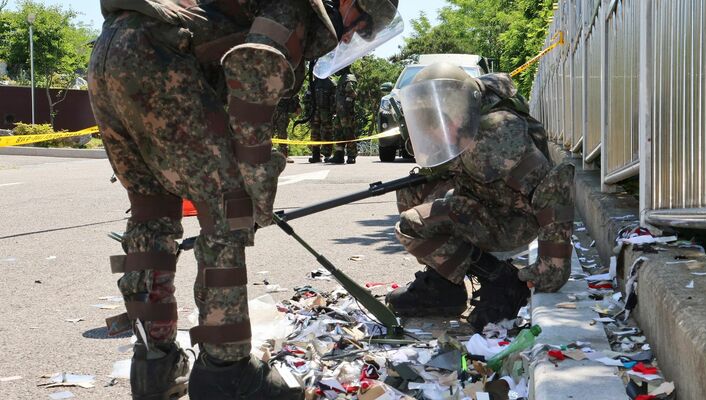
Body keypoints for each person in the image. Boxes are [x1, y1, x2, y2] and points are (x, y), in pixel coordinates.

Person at [87, 0, 401, 398]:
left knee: (152, 210)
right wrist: (257, 183)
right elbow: (255, 71)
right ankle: (226, 371)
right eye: (363, 24)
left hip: (111, 53)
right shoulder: (294, 7)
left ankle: (155, 365)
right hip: (159, 58)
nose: (356, 35)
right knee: (229, 212)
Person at [386, 63, 575, 331]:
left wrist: (552, 267)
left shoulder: (496, 136)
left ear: (457, 113)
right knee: (411, 192)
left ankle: (501, 280)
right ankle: (445, 287)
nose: (431, 133)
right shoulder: (465, 128)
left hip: (514, 220)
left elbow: (553, 189)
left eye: (436, 123)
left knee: (412, 224)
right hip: (488, 200)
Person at [330, 66, 359, 164]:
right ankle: (339, 155)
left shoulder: (348, 78)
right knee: (338, 133)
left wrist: (346, 109)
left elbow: (352, 94)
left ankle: (351, 155)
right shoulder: (343, 78)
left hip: (346, 113)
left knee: (348, 132)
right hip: (340, 112)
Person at [308, 76, 337, 163]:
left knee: (327, 133)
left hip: (327, 112)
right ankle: (315, 155)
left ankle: (327, 155)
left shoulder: (331, 83)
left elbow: (335, 99)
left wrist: (334, 112)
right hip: (315, 111)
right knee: (315, 133)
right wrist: (308, 112)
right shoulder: (313, 83)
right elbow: (308, 98)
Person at [273, 95, 302, 163]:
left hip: (282, 111)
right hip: (270, 110)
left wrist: (297, 106)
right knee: (268, 133)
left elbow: (292, 92)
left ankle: (284, 155)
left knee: (282, 134)